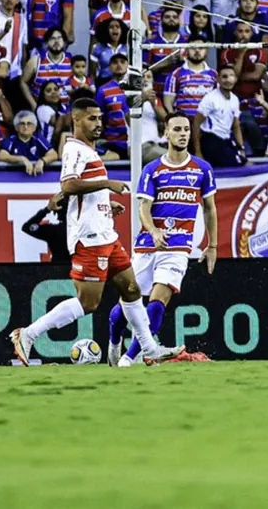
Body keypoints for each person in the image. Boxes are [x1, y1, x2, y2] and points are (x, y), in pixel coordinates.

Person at [8, 98, 185, 366]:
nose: (98, 123)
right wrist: (107, 183)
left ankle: (149, 348)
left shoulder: (90, 151)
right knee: (89, 303)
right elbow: (68, 186)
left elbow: (82, 190)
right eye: (92, 118)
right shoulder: (74, 149)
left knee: (132, 289)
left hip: (106, 234)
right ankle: (28, 334)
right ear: (76, 120)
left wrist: (104, 203)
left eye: (100, 118)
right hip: (89, 238)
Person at [105, 112, 217, 366]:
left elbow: (210, 208)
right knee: (127, 303)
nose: (183, 134)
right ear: (165, 133)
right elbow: (144, 208)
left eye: (186, 129)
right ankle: (113, 341)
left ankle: (128, 359)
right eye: (177, 129)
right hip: (147, 245)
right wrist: (154, 231)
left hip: (177, 247)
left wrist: (212, 245)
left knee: (158, 300)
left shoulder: (202, 169)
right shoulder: (153, 169)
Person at [195, 65, 244, 167]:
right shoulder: (210, 98)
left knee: (245, 162)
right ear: (218, 79)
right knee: (233, 165)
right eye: (224, 76)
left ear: (235, 79)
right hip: (211, 139)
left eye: (231, 76)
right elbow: (196, 125)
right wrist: (198, 152)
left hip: (226, 140)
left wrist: (241, 148)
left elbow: (236, 126)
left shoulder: (235, 99)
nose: (228, 80)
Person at [0, 110, 57, 175]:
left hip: (36, 177)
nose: (25, 127)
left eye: (29, 123)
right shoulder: (12, 139)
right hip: (14, 178)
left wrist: (42, 161)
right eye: (22, 123)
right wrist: (22, 159)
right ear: (16, 127)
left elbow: (53, 154)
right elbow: (2, 156)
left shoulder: (38, 138)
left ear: (34, 128)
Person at [21, 192, 69, 263]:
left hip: (57, 270)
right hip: (80, 270)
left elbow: (27, 227)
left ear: (55, 211)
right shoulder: (83, 229)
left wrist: (47, 209)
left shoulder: (53, 231)